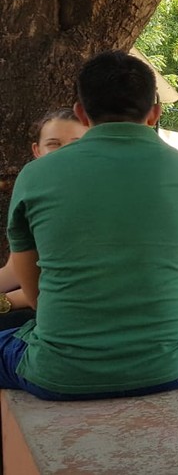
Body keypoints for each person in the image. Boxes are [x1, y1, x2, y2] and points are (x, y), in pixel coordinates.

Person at [0, 50, 178, 400]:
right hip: (172, 368)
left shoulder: (35, 175)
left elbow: (37, 296)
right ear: (155, 113)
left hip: (57, 375)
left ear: (81, 113)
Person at [0, 108, 89, 331]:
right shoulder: (37, 196)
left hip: (70, 316)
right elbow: (14, 271)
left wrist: (4, 302)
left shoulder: (95, 199)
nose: (64, 153)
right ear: (37, 150)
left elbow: (60, 289)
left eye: (75, 143)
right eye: (54, 144)